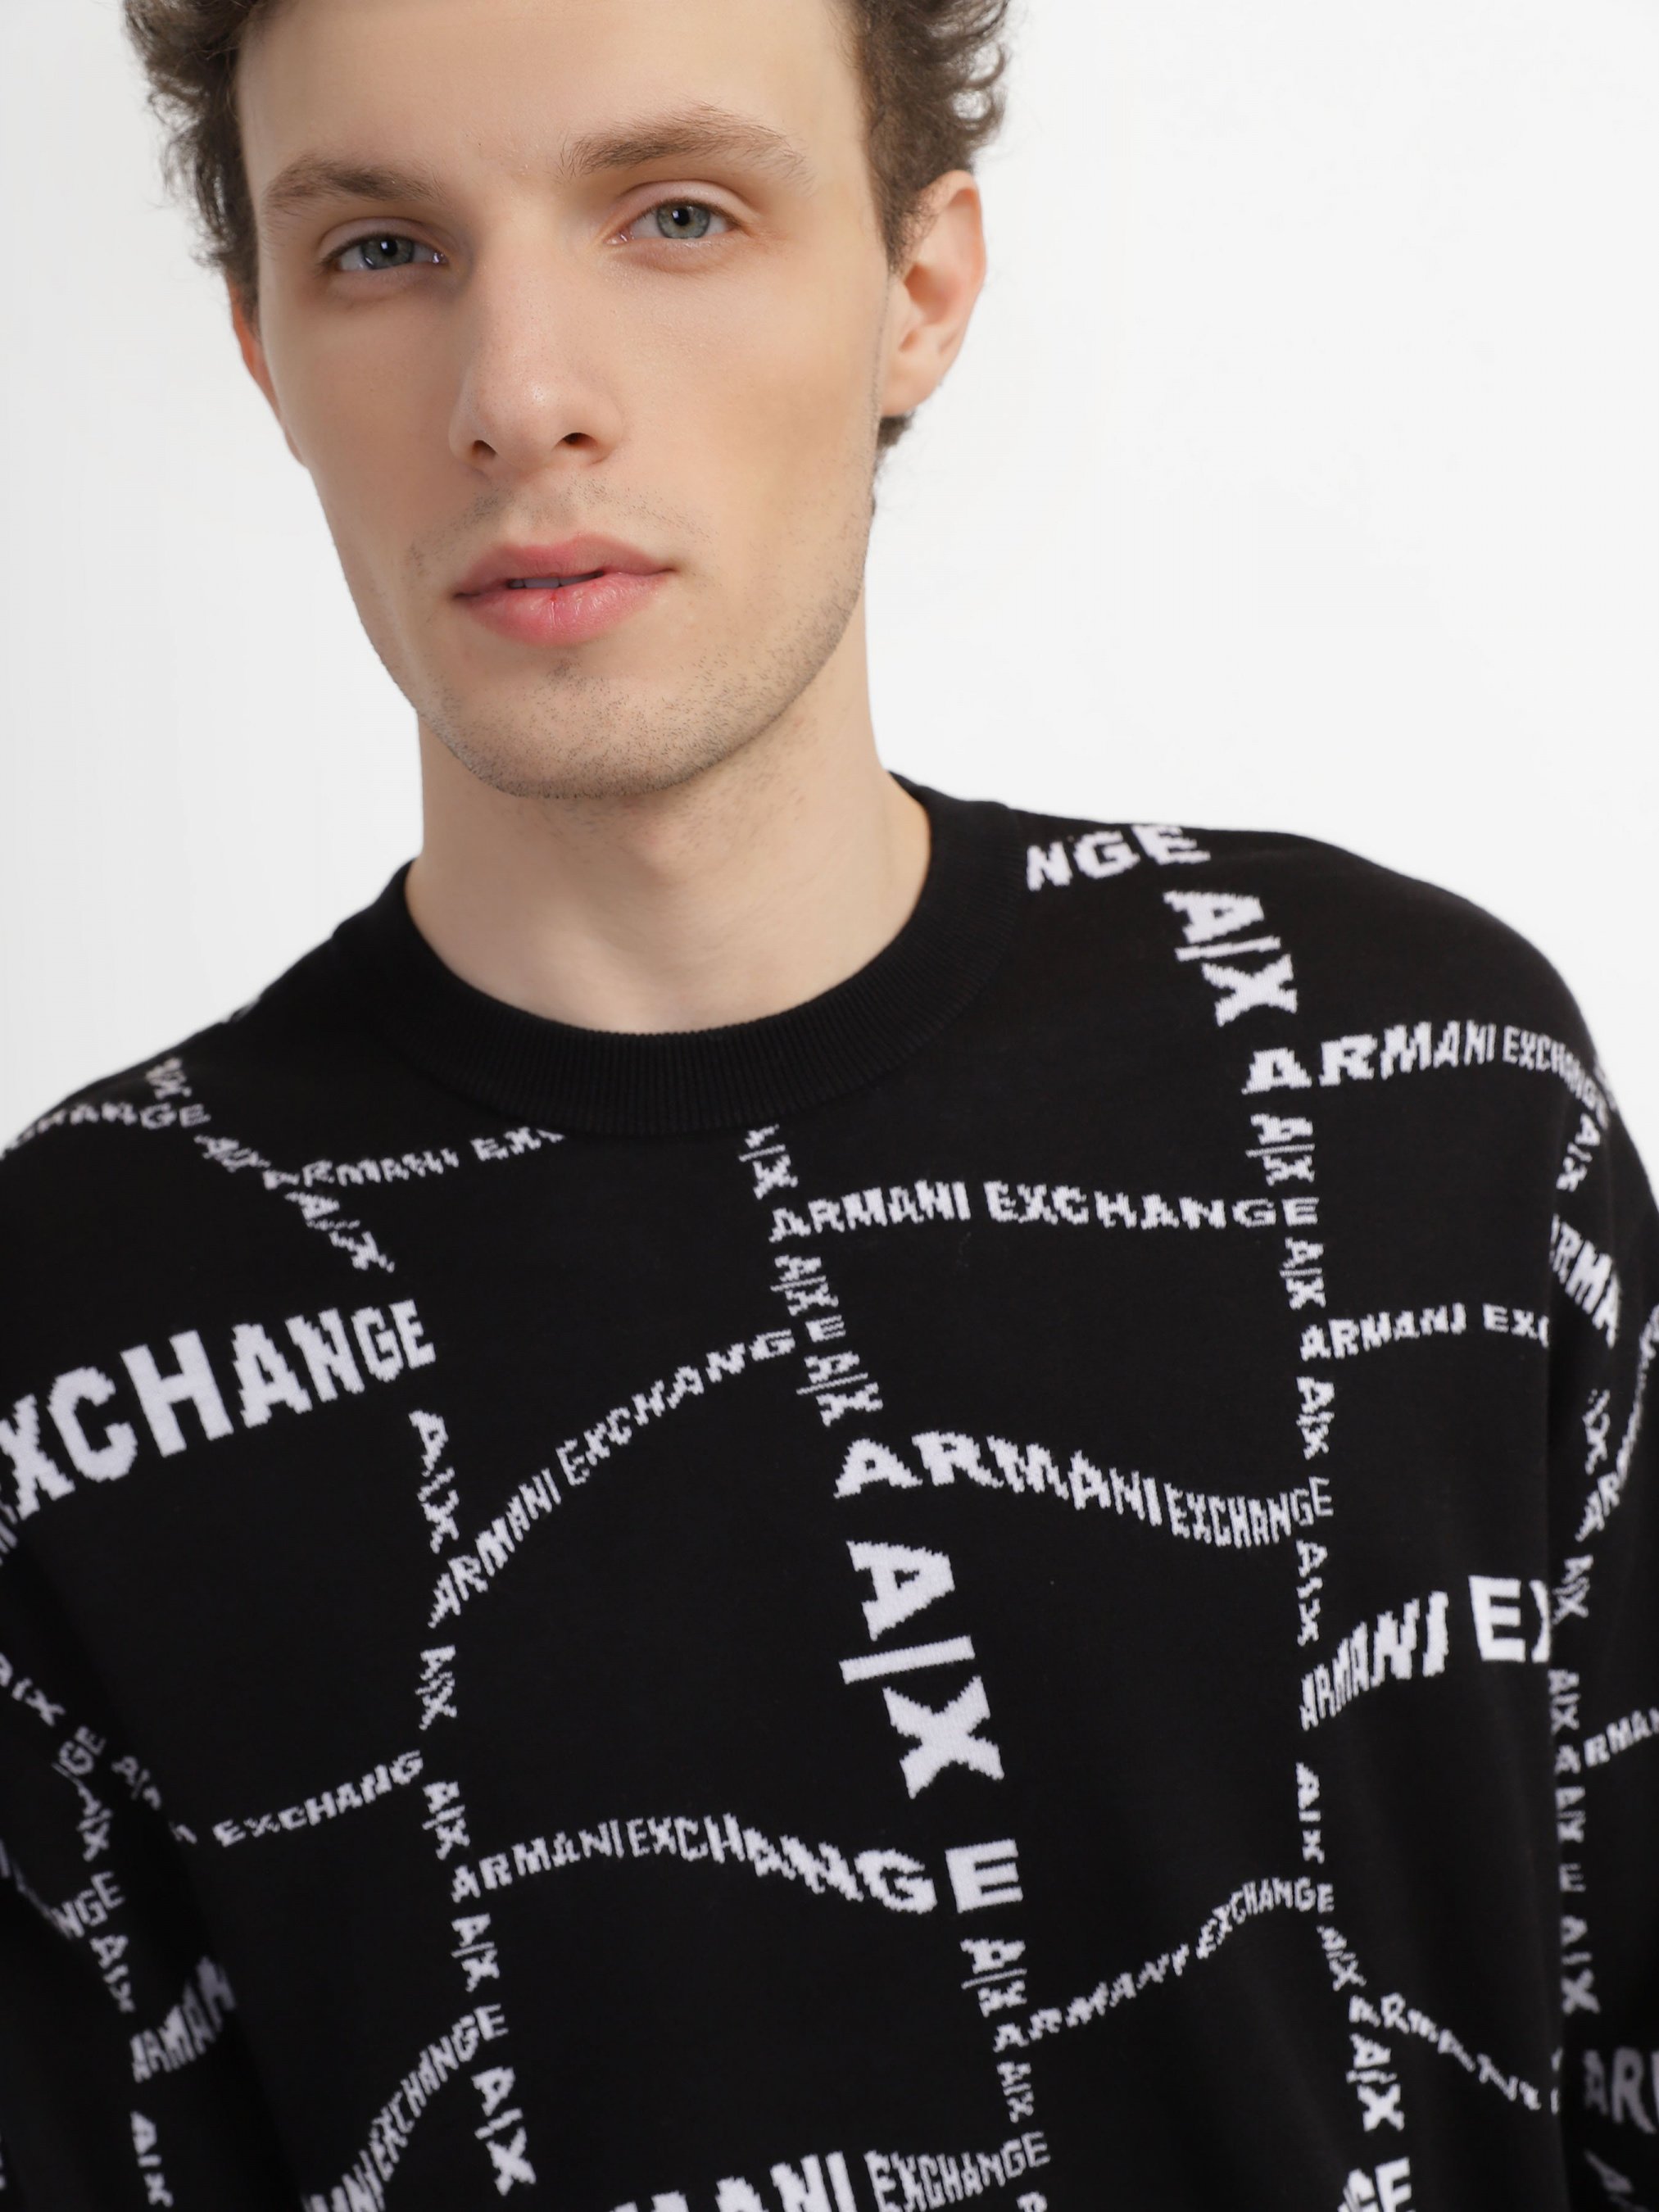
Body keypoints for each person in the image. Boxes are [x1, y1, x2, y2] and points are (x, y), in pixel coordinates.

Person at [1, 0, 1653, 2203]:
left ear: (920, 286)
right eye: (381, 251)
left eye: (676, 214)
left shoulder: (1405, 1090)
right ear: (262, 352)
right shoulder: (89, 1320)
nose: (520, 394)